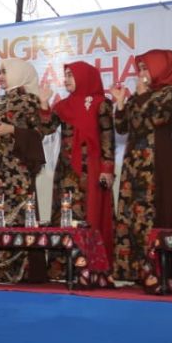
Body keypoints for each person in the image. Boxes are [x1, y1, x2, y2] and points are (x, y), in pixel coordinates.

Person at [111, 49, 172, 286]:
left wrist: (141, 96)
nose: (142, 73)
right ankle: (135, 270)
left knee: (156, 211)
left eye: (146, 68)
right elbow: (123, 128)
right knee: (132, 214)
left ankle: (160, 271)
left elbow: (156, 119)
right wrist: (122, 103)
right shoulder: (142, 94)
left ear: (160, 68)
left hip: (157, 160)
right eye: (140, 69)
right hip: (134, 162)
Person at [0, 59, 46, 284]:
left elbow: (40, 133)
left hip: (17, 171)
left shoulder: (30, 101)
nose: (0, 76)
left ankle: (16, 270)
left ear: (18, 73)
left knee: (16, 218)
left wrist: (12, 129)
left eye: (4, 72)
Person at [38, 61, 116, 277]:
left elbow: (108, 136)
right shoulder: (63, 105)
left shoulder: (101, 104)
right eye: (66, 75)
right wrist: (44, 103)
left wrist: (107, 168)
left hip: (89, 171)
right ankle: (61, 268)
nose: (67, 79)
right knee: (63, 217)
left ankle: (87, 268)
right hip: (65, 172)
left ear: (85, 77)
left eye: (71, 75)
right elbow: (46, 128)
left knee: (87, 216)